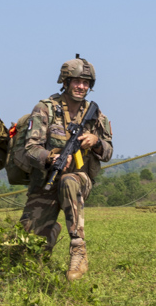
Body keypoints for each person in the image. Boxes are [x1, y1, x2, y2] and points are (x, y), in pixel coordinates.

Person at [20, 57, 114, 279]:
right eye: (77, 81)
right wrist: (50, 157)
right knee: (23, 249)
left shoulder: (96, 114)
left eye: (86, 82)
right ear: (65, 81)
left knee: (69, 180)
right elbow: (30, 149)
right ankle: (50, 234)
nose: (82, 86)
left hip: (78, 181)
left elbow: (109, 153)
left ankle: (78, 251)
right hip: (45, 183)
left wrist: (96, 141)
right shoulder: (45, 109)